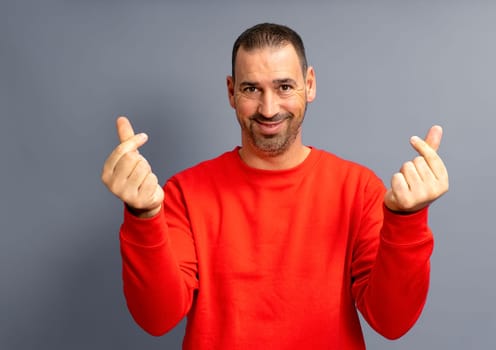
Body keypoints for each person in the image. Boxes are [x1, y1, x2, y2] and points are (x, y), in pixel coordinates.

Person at [101, 23, 448, 350]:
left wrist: (408, 219)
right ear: (231, 92)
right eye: (252, 89)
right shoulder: (185, 193)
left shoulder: (358, 189)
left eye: (284, 87)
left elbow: (392, 322)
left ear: (309, 85)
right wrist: (143, 216)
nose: (268, 109)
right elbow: (156, 318)